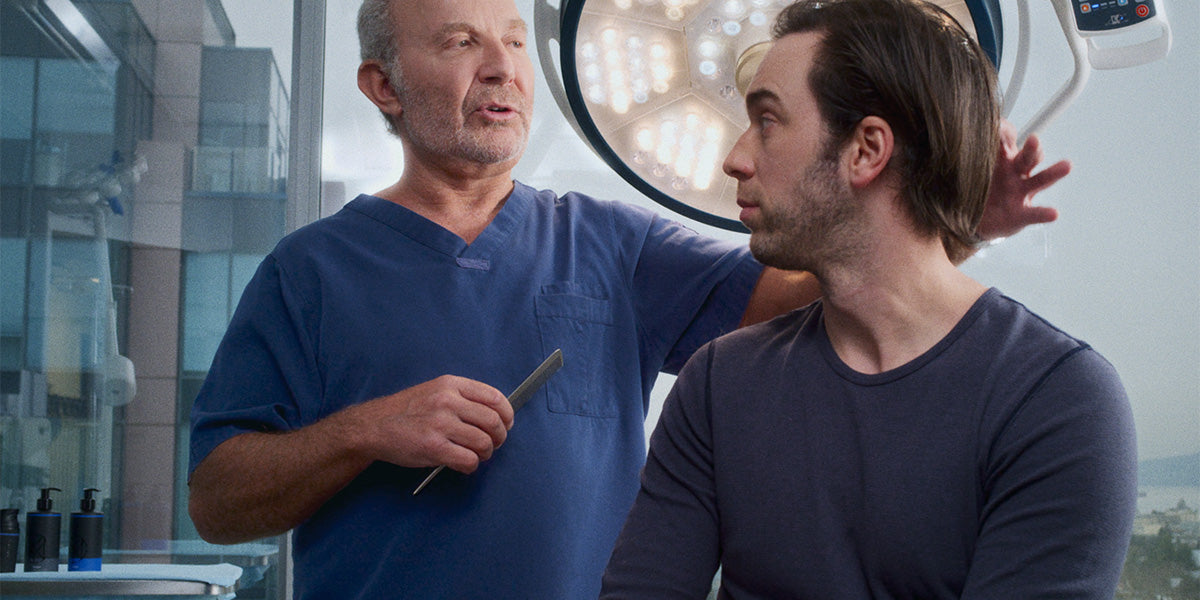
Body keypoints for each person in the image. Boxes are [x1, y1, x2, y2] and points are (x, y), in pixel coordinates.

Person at [185, 0, 1071, 597]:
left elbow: (828, 285)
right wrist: (362, 431)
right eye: (459, 42)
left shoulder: (614, 243)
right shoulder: (308, 273)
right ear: (383, 86)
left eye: (514, 42)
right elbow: (217, 505)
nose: (503, 69)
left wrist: (945, 219)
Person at [599, 1, 1137, 598]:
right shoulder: (717, 385)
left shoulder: (1056, 401)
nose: (735, 158)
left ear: (866, 150)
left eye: (768, 120)